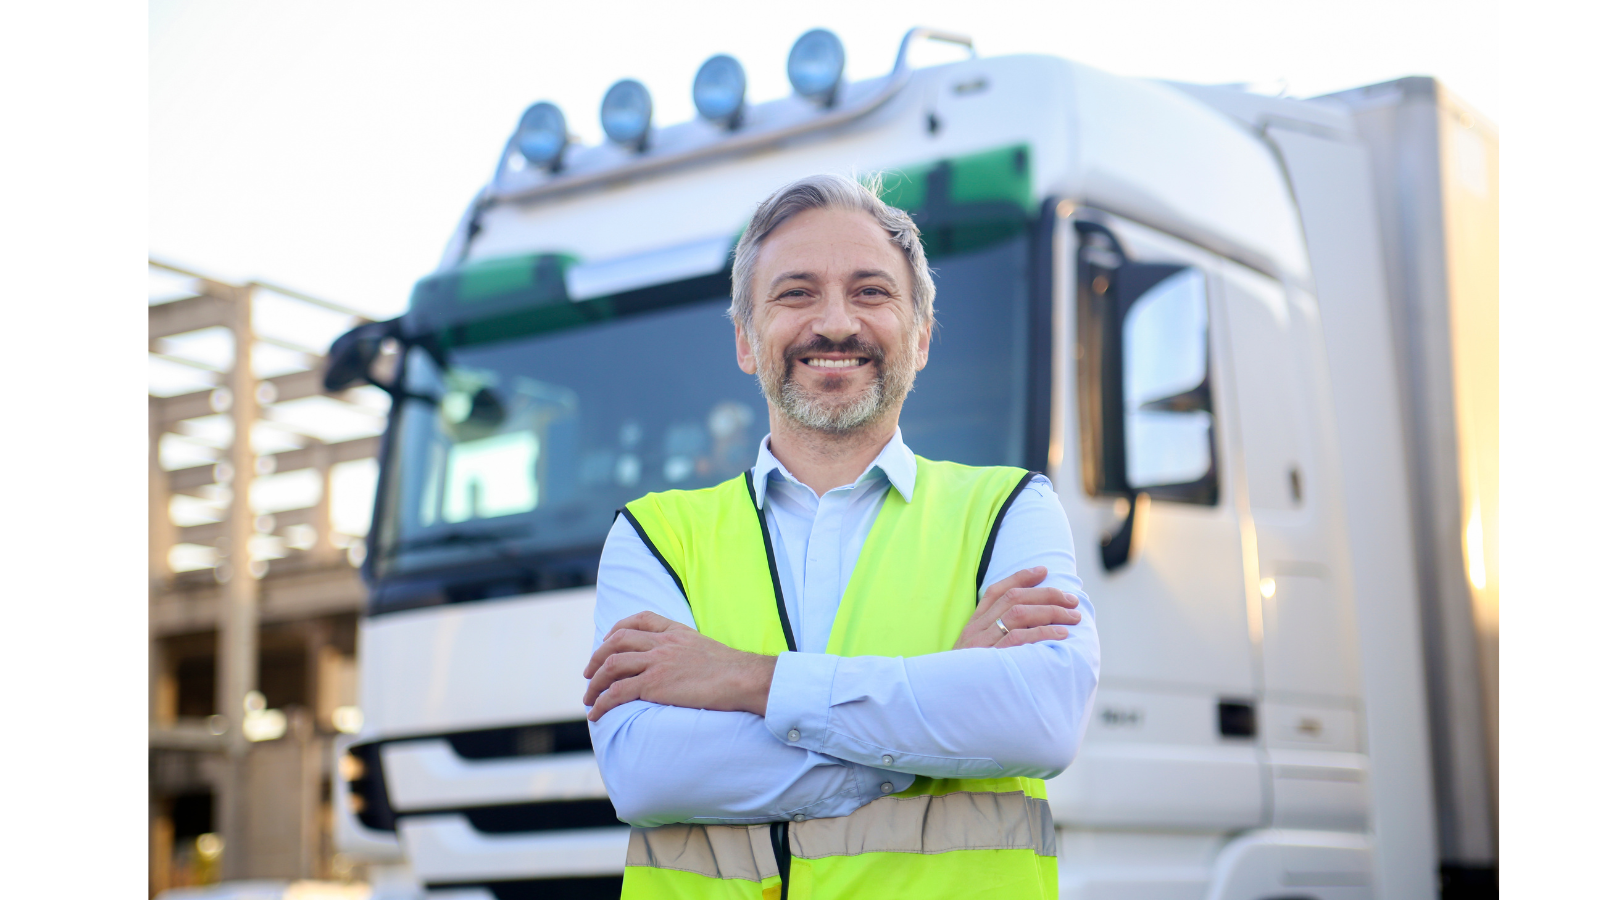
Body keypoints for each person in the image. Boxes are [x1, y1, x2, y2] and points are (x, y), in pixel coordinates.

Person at [583, 173, 1100, 899]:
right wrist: (934, 719)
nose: (834, 322)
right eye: (795, 293)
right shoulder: (655, 537)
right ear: (744, 340)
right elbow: (646, 772)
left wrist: (743, 680)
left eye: (871, 292)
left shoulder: (1011, 510)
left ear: (920, 339)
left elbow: (1039, 723)